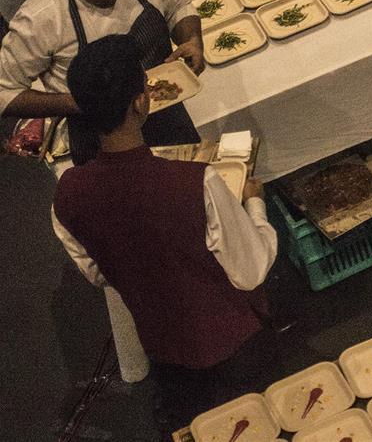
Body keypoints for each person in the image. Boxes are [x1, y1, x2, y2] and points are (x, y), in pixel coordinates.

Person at [52, 34, 278, 432]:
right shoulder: (197, 182)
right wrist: (254, 204)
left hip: (163, 349)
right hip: (232, 346)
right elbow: (252, 269)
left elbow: (96, 270)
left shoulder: (67, 192)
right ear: (142, 101)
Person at [0, 0, 203, 165]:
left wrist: (192, 40)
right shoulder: (40, 17)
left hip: (168, 117)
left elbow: (178, 5)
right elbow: (4, 92)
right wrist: (78, 102)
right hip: (99, 143)